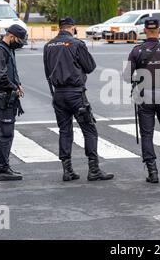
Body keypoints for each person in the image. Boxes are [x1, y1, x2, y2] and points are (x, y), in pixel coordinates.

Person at [43, 17, 114, 182]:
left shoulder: (48, 46)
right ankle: (94, 169)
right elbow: (90, 66)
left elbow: (47, 71)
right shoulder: (76, 44)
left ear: (60, 28)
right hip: (75, 93)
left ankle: (67, 170)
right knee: (89, 129)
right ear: (73, 28)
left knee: (64, 131)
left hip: (58, 94)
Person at [124, 17, 160, 183]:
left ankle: (153, 172)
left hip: (145, 96)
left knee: (147, 134)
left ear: (144, 30)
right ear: (158, 31)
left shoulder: (137, 51)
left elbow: (126, 76)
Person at [0, 24, 27, 181]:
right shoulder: (0, 51)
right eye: (18, 40)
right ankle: (3, 170)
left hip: (7, 97)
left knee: (2, 134)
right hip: (4, 98)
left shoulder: (7, 50)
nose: (20, 44)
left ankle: (3, 167)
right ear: (11, 36)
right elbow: (0, 76)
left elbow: (10, 73)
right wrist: (14, 87)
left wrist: (17, 84)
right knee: (6, 134)